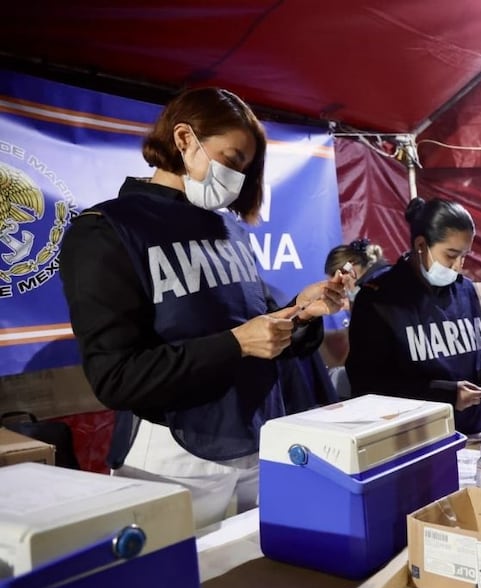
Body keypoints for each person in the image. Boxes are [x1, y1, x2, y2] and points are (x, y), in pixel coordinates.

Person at [58, 87, 345, 528]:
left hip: (257, 438)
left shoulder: (230, 230)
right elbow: (116, 377)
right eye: (231, 159)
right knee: (171, 571)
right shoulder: (107, 230)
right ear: (184, 139)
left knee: (266, 564)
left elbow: (257, 330)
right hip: (172, 455)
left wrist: (300, 312)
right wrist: (235, 344)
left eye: (244, 169)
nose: (237, 178)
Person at [344, 197, 481, 434]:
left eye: (464, 256)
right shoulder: (379, 299)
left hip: (473, 430)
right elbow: (369, 384)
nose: (458, 266)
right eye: (451, 255)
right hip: (416, 437)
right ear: (421, 245)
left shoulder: (465, 290)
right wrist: (446, 394)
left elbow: (473, 356)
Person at [320, 237, 390, 397]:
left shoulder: (372, 294)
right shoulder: (382, 283)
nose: (339, 288)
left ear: (351, 267)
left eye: (339, 281)